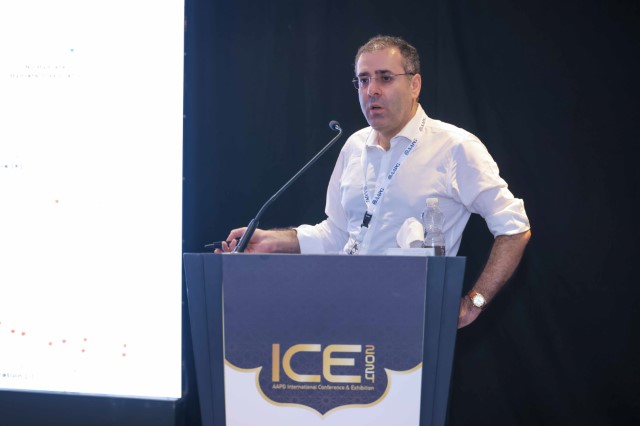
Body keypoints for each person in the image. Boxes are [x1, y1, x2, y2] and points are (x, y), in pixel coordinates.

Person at [217, 35, 531, 329]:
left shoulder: (454, 147)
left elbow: (514, 228)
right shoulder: (353, 146)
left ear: (415, 85)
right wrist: (271, 241)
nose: (372, 91)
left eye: (385, 78)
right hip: (343, 315)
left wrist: (473, 303)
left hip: (414, 322)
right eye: (363, 80)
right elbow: (339, 234)